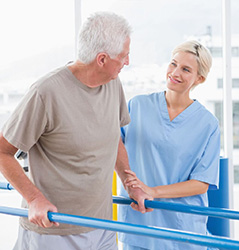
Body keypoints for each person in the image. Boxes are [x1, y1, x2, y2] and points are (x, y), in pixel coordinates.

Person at [0, 12, 151, 250]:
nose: (127, 62)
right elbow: (3, 152)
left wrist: (130, 182)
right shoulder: (46, 92)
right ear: (102, 59)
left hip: (102, 227)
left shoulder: (113, 83)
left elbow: (115, 140)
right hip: (55, 229)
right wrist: (34, 199)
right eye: (124, 56)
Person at [118, 40, 220, 250]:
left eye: (185, 69)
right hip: (140, 225)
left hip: (183, 230)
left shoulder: (208, 124)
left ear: (199, 78)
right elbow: (111, 146)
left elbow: (202, 182)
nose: (175, 72)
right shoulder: (137, 106)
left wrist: (152, 192)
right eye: (173, 64)